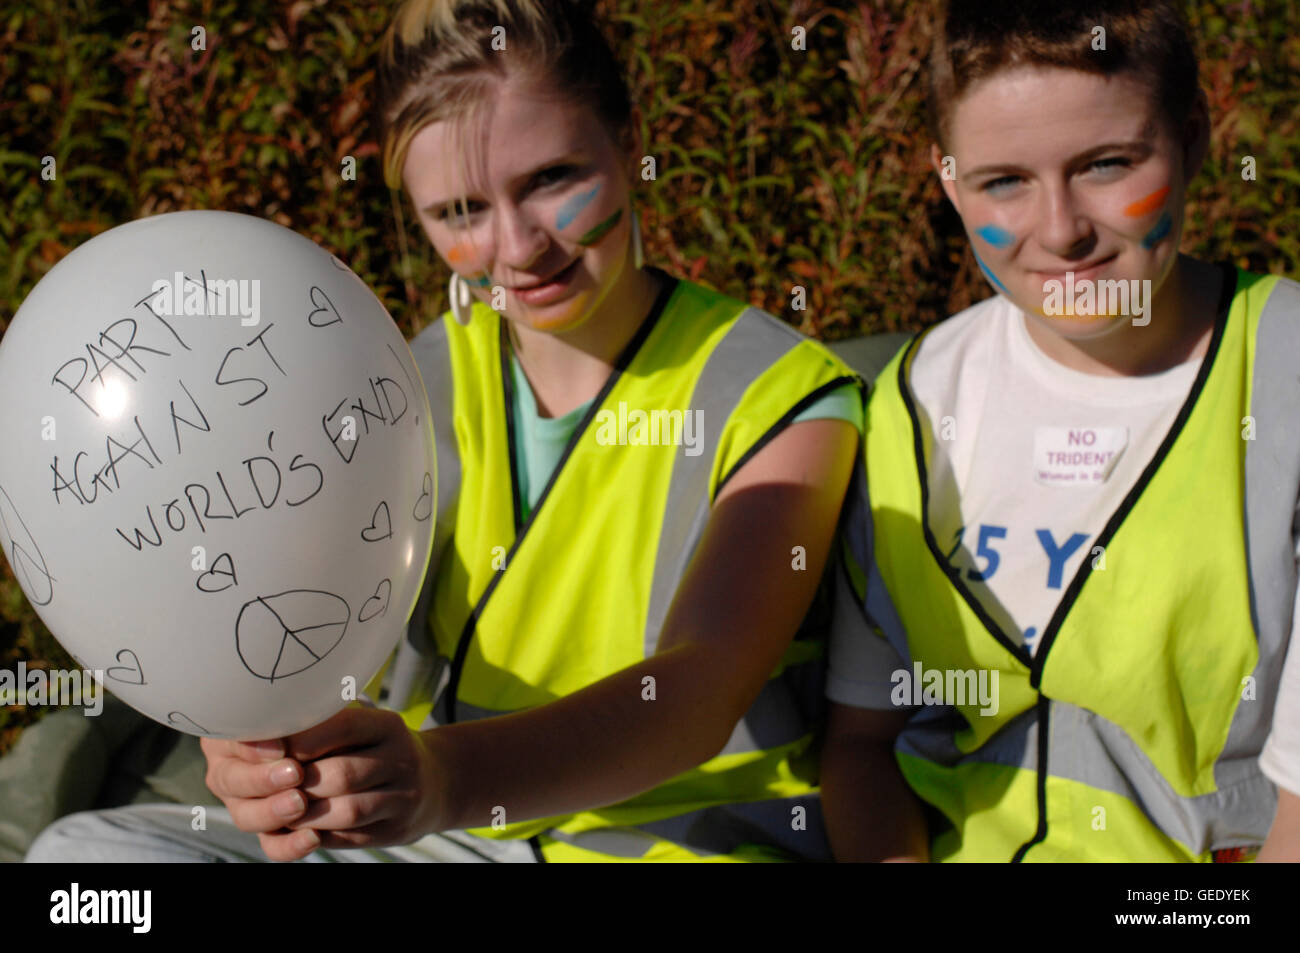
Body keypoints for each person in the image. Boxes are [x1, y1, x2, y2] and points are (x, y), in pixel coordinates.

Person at [25, 0, 864, 863]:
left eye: (551, 179)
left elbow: (699, 690)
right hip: (452, 838)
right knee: (84, 862)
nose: (519, 246)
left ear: (626, 138)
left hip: (665, 845)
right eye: (461, 210)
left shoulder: (780, 394)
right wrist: (268, 747)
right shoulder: (406, 380)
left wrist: (441, 779)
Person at [821, 0, 1300, 862]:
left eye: (1107, 164)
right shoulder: (907, 403)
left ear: (1193, 138)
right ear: (947, 180)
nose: (1060, 231)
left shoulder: (1288, 377)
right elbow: (861, 744)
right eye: (1003, 180)